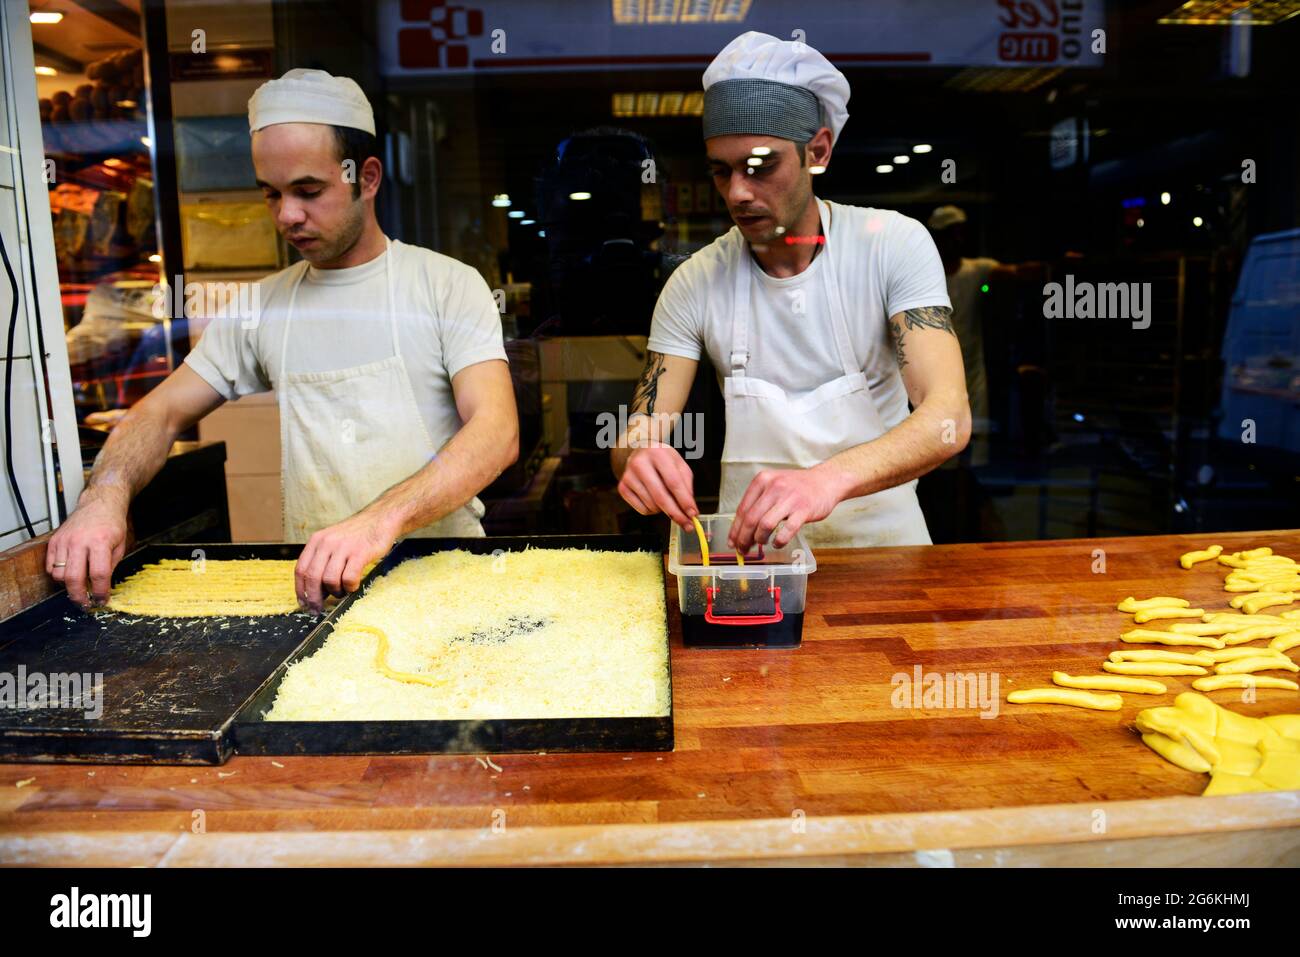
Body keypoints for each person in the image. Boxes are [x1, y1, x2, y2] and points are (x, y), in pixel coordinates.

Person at [47, 69, 518, 612]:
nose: (287, 216)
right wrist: (103, 494)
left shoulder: (445, 286)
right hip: (323, 597)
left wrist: (377, 522)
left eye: (308, 191)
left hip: (451, 585)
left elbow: (497, 430)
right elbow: (161, 414)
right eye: (270, 194)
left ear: (366, 177)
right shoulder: (262, 306)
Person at [611, 33, 969, 551]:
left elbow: (948, 418)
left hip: (887, 555)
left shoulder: (891, 244)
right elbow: (640, 429)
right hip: (755, 562)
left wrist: (824, 480)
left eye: (761, 167)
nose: (737, 191)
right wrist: (638, 457)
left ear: (817, 151)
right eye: (722, 171)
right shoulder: (695, 281)